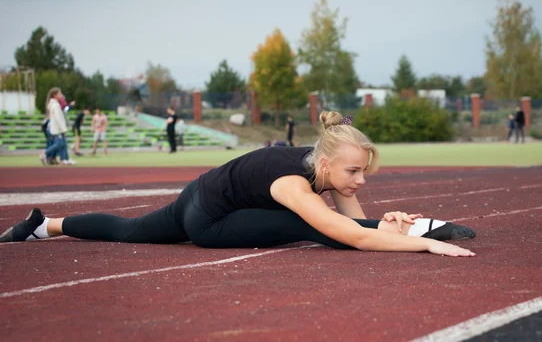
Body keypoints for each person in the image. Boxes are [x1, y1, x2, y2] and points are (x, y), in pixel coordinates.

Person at [1, 111, 476, 257]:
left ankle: (45, 224)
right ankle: (424, 231)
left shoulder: (317, 165)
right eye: (354, 172)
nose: (361, 178)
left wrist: (389, 222)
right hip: (208, 220)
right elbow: (345, 232)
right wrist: (423, 244)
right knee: (310, 226)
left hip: (199, 192)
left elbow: (356, 220)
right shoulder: (295, 184)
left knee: (131, 230)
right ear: (327, 165)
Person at [39, 87, 75, 166]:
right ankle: (44, 153)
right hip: (57, 129)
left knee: (63, 144)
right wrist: (63, 128)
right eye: (60, 93)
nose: (61, 95)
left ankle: (65, 159)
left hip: (57, 128)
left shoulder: (55, 104)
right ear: (55, 95)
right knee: (58, 144)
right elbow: (59, 118)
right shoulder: (55, 105)